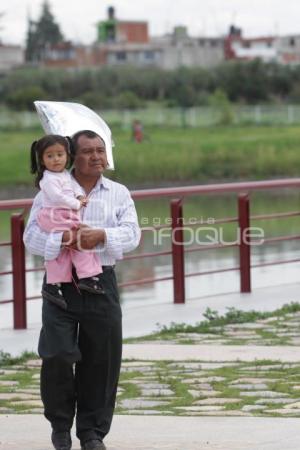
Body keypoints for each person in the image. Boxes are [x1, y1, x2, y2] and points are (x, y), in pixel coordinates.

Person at [23, 130, 141, 450]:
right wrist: (61, 240)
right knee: (58, 354)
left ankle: (92, 433)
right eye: (87, 151)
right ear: (72, 156)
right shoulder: (50, 191)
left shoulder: (118, 192)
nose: (96, 157)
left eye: (100, 150)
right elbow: (30, 238)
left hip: (100, 281)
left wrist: (101, 236)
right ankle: (60, 426)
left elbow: (132, 235)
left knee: (101, 359)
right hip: (59, 285)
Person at [30, 134, 104, 310]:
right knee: (78, 239)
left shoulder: (64, 175)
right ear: (41, 160)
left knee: (70, 246)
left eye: (60, 155)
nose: (56, 159)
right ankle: (82, 277)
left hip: (64, 215)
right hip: (54, 215)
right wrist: (77, 203)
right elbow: (58, 197)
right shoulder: (47, 179)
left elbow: (73, 187)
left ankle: (58, 283)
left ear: (68, 156)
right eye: (50, 156)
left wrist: (79, 194)